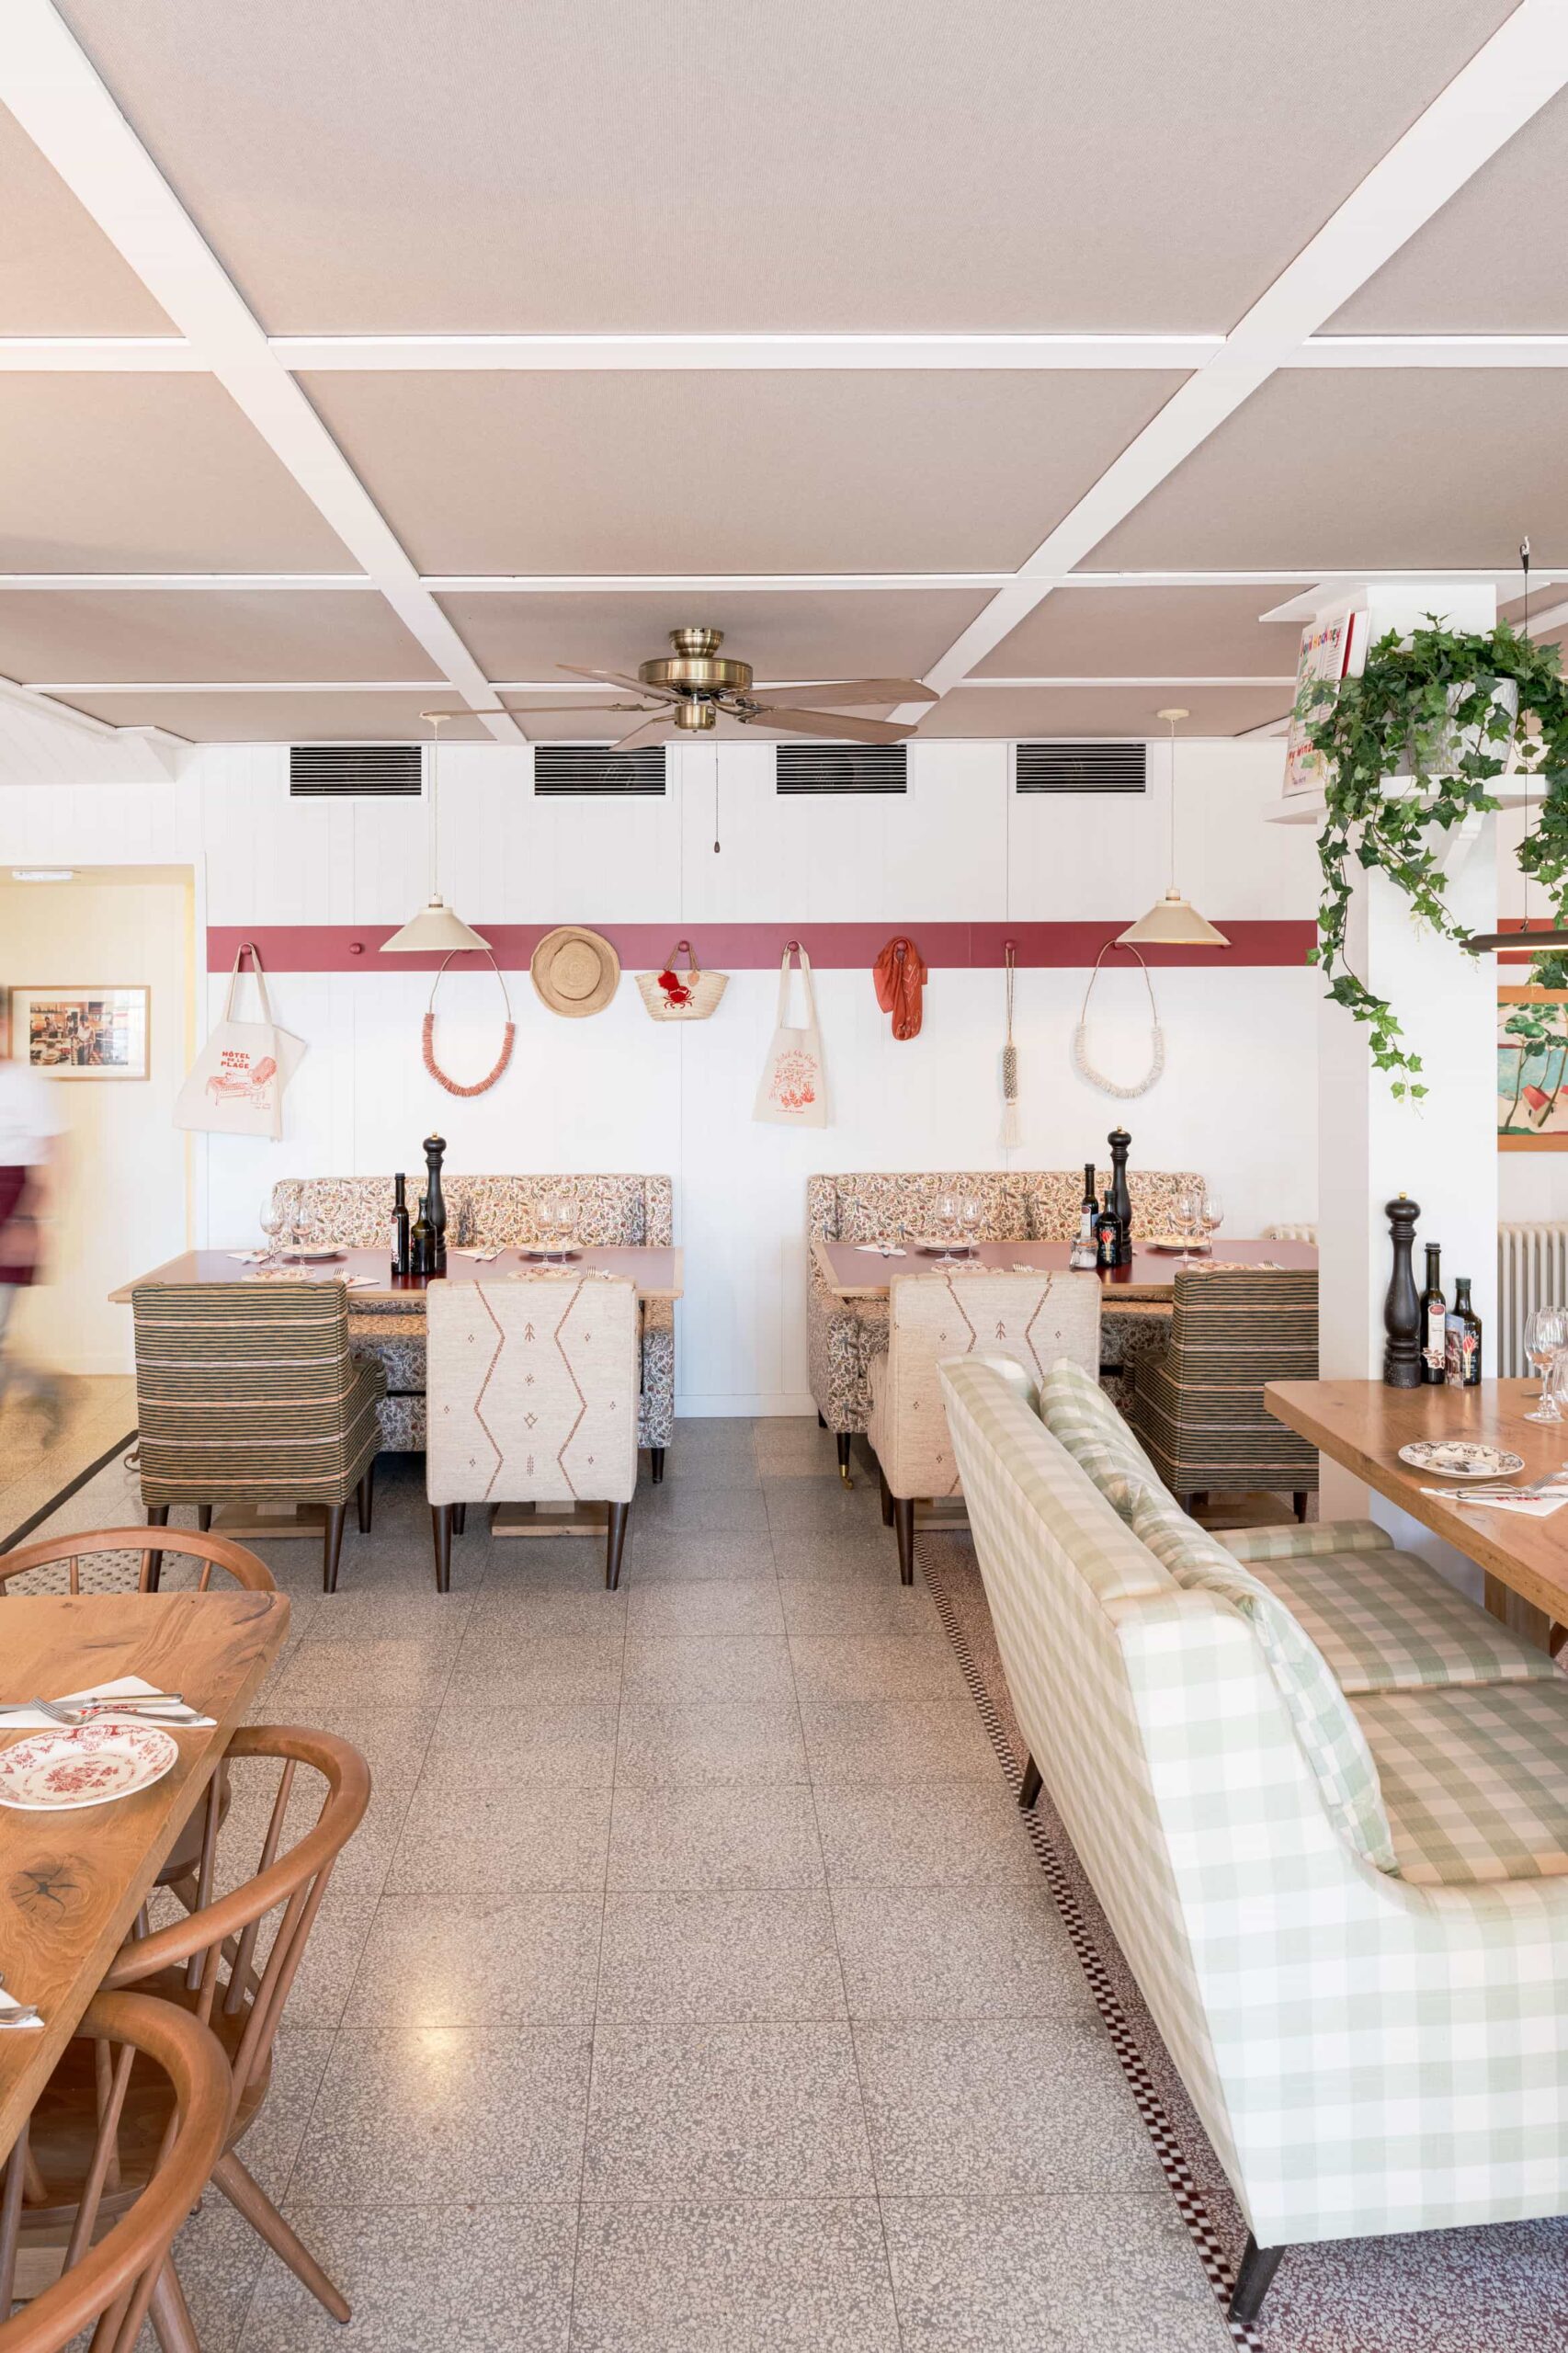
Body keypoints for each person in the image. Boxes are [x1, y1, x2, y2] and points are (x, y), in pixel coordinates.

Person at [0, 1037, 65, 1426]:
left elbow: (54, 1158)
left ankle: (44, 1388)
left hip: (9, 1212)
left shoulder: (25, 1084)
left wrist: (27, 1222)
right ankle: (44, 1387)